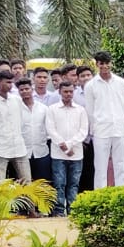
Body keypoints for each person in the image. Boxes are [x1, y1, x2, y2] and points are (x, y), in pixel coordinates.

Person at [86, 50, 124, 188]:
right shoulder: (90, 85)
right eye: (101, 63)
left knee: (121, 165)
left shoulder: (121, 83)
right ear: (97, 64)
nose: (105, 66)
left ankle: (120, 195)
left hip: (120, 129)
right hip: (101, 131)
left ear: (111, 63)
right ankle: (100, 196)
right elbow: (90, 111)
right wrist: (93, 130)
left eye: (107, 63)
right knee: (100, 167)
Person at [46, 82, 88, 216]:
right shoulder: (52, 109)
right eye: (65, 91)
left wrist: (69, 145)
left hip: (76, 153)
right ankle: (59, 211)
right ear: (59, 92)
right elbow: (51, 130)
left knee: (74, 184)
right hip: (58, 153)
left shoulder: (80, 110)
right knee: (59, 183)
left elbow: (83, 131)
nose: (68, 94)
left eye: (71, 91)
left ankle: (73, 209)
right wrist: (64, 147)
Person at [0, 70, 30, 182]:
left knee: (27, 181)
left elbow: (21, 120)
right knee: (0, 183)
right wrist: (1, 138)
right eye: (7, 82)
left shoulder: (17, 100)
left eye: (11, 82)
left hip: (19, 147)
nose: (10, 85)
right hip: (1, 149)